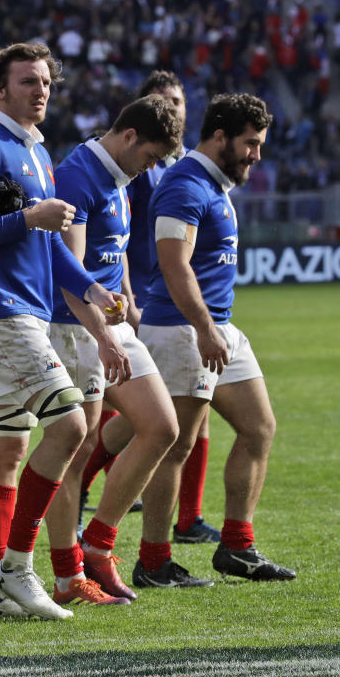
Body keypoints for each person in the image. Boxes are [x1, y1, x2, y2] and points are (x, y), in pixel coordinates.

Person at [0, 41, 128, 621]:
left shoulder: (37, 153)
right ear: (0, 89)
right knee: (72, 425)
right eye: (27, 82)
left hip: (28, 308)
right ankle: (19, 567)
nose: (40, 91)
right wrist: (27, 216)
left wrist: (91, 288)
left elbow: (46, 244)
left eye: (46, 82)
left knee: (7, 450)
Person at [133, 93, 296, 586]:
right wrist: (204, 328)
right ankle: (155, 560)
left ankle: (237, 548)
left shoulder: (212, 182)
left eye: (261, 145)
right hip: (183, 328)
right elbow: (173, 264)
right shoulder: (184, 184)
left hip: (217, 325)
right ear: (219, 136)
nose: (256, 155)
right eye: (250, 144)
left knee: (259, 427)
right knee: (173, 446)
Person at [43, 95, 185, 607]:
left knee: (163, 427)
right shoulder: (79, 176)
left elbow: (114, 250)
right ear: (128, 137)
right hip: (76, 326)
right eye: (149, 156)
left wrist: (130, 307)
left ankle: (97, 545)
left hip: (111, 322)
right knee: (75, 450)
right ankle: (68, 574)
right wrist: (102, 337)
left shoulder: (121, 177)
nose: (150, 168)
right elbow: (68, 272)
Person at [80, 70, 221, 545]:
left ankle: (187, 517)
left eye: (178, 101)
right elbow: (113, 242)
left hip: (145, 300)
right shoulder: (132, 170)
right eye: (163, 101)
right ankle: (86, 508)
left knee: (181, 419)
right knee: (142, 421)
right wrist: (131, 296)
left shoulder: (166, 164)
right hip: (137, 300)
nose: (173, 109)